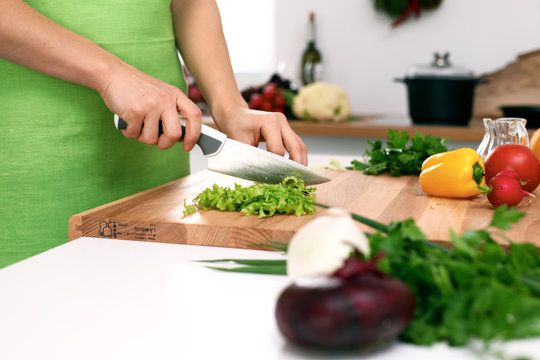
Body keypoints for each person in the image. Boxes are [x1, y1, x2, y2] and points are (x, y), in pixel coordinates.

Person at [0, 0, 308, 268]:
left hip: (159, 172)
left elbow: (189, 3)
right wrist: (110, 74)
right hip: (34, 170)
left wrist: (229, 106)